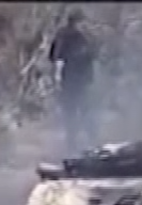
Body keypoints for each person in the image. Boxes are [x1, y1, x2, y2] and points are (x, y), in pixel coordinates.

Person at [49, 9, 98, 154]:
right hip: (76, 79)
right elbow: (56, 57)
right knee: (81, 110)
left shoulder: (66, 35)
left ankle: (75, 143)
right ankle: (84, 142)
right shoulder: (77, 36)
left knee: (73, 111)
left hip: (73, 78)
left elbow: (54, 57)